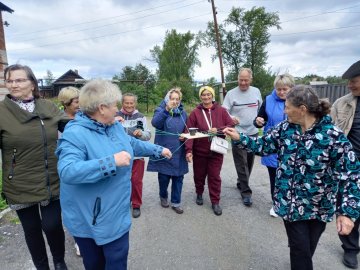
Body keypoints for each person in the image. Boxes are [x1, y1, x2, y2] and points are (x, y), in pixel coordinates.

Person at [223, 85, 360, 270]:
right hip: (291, 205)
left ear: (302, 109)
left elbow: (350, 174)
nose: (284, 110)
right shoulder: (285, 128)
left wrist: (347, 212)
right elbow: (264, 145)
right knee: (299, 250)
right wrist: (240, 137)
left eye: (287, 106)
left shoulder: (332, 136)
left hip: (319, 207)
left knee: (307, 248)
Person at [56, 79, 172, 270]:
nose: (118, 109)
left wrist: (158, 150)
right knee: (95, 264)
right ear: (102, 108)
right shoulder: (75, 133)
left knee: (118, 261)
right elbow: (67, 170)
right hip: (90, 218)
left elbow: (131, 144)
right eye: (115, 105)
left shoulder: (113, 125)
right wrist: (111, 162)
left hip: (116, 213)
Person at [0, 64, 68, 270]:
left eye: (19, 80)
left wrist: (99, 121)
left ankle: (59, 261)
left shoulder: (48, 106)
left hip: (51, 180)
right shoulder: (1, 112)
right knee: (32, 230)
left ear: (32, 83)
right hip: (20, 183)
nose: (13, 84)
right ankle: (42, 267)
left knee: (53, 225)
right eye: (9, 80)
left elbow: (72, 127)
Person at [185, 86, 234, 216]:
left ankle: (215, 201)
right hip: (200, 151)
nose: (206, 97)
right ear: (200, 97)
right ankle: (199, 193)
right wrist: (189, 150)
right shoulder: (195, 112)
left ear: (212, 96)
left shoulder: (222, 111)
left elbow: (230, 125)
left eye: (208, 95)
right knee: (199, 175)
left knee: (214, 177)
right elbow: (190, 132)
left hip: (216, 151)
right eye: (203, 95)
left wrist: (218, 129)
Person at [331, 59, 360, 269]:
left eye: (353, 81)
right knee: (348, 206)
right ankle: (350, 249)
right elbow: (330, 134)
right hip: (348, 167)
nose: (349, 85)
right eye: (349, 82)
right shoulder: (341, 104)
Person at [253, 74, 295, 217]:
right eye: (278, 89)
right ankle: (276, 204)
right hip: (272, 143)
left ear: (291, 88)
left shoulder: (298, 100)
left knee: (291, 175)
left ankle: (292, 203)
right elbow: (260, 119)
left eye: (285, 89)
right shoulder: (269, 100)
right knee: (274, 176)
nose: (281, 92)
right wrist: (258, 121)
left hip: (292, 145)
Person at [222, 67, 262, 206]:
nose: (243, 83)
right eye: (241, 80)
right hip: (236, 133)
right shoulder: (231, 94)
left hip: (253, 132)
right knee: (241, 163)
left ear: (250, 79)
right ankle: (246, 192)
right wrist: (231, 118)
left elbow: (260, 110)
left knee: (250, 162)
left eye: (246, 80)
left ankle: (241, 182)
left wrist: (260, 119)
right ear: (237, 78)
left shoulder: (256, 91)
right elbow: (224, 111)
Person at [147, 87, 188, 214]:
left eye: (177, 99)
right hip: (164, 148)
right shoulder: (160, 110)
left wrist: (185, 136)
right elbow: (155, 123)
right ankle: (163, 196)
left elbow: (187, 129)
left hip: (179, 150)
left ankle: (176, 202)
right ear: (167, 99)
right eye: (172, 99)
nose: (175, 101)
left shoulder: (183, 113)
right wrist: (167, 109)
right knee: (164, 177)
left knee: (178, 177)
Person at [116, 93, 151, 218]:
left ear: (135, 103)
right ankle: (123, 204)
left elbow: (148, 136)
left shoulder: (140, 117)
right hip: (120, 156)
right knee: (121, 181)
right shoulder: (115, 116)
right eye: (127, 103)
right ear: (122, 103)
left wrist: (140, 133)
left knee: (136, 181)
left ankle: (136, 204)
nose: (129, 105)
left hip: (137, 155)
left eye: (131, 103)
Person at [57, 86, 81, 257]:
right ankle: (79, 240)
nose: (80, 104)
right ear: (66, 103)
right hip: (67, 169)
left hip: (83, 166)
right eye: (76, 101)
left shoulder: (83, 117)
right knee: (73, 206)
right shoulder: (58, 121)